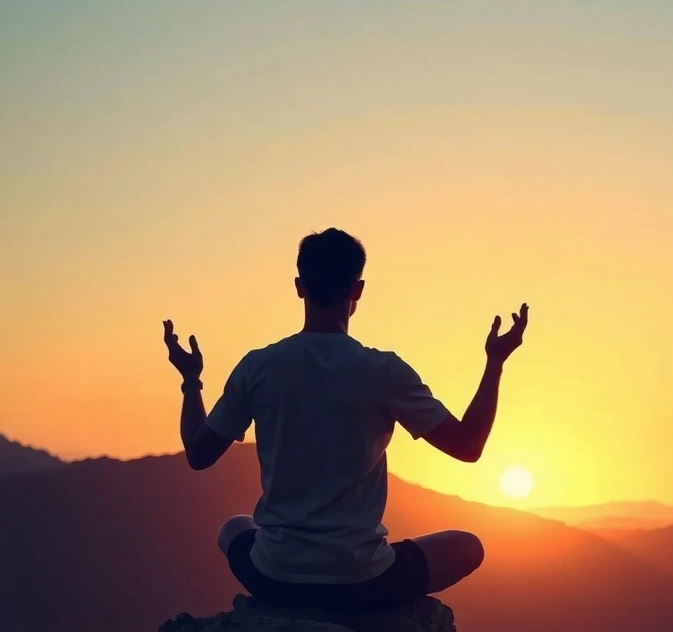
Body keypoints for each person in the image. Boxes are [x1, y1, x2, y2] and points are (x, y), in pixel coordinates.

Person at [160, 228, 529, 610]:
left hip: (275, 578)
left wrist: (190, 382)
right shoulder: (384, 371)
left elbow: (199, 454)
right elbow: (468, 446)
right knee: (467, 546)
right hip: (362, 581)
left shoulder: (259, 367)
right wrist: (495, 364)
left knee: (233, 527)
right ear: (358, 289)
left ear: (300, 286)